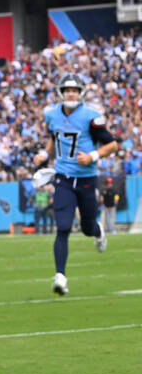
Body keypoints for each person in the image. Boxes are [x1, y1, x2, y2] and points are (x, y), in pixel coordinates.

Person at [33, 75, 118, 295]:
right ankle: (60, 277)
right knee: (62, 226)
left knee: (88, 227)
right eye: (67, 90)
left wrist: (92, 156)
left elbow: (112, 144)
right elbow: (53, 136)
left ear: (80, 93)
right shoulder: (52, 114)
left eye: (74, 90)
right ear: (61, 92)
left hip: (87, 179)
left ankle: (98, 231)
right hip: (63, 178)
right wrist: (44, 153)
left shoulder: (91, 116)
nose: (71, 94)